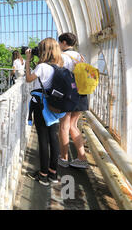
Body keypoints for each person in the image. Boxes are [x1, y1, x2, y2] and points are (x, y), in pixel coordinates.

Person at [25, 38, 64, 186]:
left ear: (44, 50)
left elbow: (29, 79)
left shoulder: (42, 67)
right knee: (53, 138)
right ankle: (53, 173)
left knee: (43, 139)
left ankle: (43, 174)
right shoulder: (59, 65)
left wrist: (28, 60)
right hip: (55, 105)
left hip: (41, 105)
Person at [58, 33, 89, 169]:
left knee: (64, 126)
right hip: (81, 94)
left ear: (64, 43)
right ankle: (81, 158)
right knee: (73, 126)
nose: (58, 45)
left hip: (68, 95)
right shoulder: (81, 57)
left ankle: (64, 158)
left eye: (60, 43)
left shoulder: (63, 57)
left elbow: (59, 76)